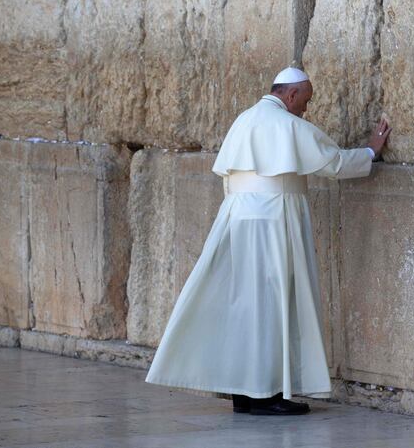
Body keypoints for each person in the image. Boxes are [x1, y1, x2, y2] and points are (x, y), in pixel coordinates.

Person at [145, 67, 392, 415]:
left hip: (236, 217)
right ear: (291, 95)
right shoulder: (287, 125)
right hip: (273, 220)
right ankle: (267, 395)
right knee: (272, 304)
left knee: (246, 304)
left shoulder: (244, 120)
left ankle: (246, 393)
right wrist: (369, 151)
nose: (306, 109)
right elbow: (333, 163)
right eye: (305, 101)